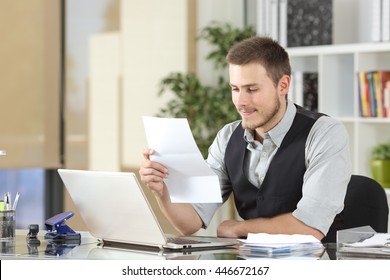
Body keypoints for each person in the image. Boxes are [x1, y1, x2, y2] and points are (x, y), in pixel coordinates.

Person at [139, 36, 352, 243]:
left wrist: (239, 228)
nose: (240, 101)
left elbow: (310, 228)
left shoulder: (324, 133)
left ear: (283, 85)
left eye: (251, 89)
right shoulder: (227, 137)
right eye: (235, 89)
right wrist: (162, 191)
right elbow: (191, 222)